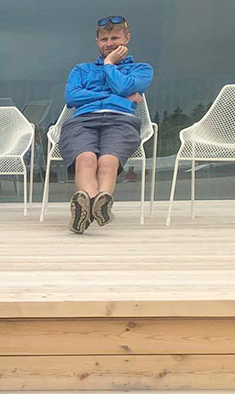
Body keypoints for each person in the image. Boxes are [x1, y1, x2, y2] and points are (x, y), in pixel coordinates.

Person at [60, 16, 153, 234]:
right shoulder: (81, 70)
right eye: (104, 39)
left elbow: (123, 87)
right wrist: (115, 97)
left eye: (115, 38)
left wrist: (109, 64)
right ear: (97, 42)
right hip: (83, 121)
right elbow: (72, 97)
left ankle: (87, 210)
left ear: (127, 38)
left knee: (107, 162)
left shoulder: (141, 69)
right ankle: (97, 206)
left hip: (121, 121)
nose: (109, 43)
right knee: (86, 159)